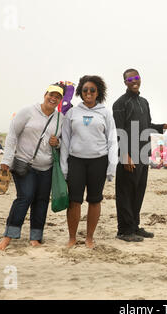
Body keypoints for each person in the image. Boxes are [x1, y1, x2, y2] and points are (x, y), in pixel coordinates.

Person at [0, 83, 64, 251]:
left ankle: (35, 238)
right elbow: (12, 134)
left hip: (46, 167)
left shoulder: (60, 119)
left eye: (57, 97)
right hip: (24, 163)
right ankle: (8, 236)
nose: (53, 98)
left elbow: (62, 142)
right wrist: (6, 159)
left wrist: (57, 143)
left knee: (41, 201)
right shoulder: (27, 111)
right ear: (45, 94)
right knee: (25, 197)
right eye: (51, 94)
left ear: (60, 100)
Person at [112, 68, 167, 242]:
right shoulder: (120, 103)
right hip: (128, 155)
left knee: (138, 192)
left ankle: (134, 226)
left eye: (136, 78)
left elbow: (147, 126)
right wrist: (124, 155)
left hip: (143, 153)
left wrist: (165, 126)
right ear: (125, 82)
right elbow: (118, 132)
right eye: (130, 79)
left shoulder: (144, 102)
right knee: (125, 193)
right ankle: (124, 230)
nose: (134, 81)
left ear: (140, 79)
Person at [60, 75, 118, 249]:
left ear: (98, 92)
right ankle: (72, 238)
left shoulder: (105, 113)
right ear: (80, 92)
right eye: (85, 90)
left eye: (92, 90)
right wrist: (64, 167)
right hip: (76, 161)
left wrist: (111, 166)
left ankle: (89, 238)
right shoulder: (72, 113)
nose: (88, 93)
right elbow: (66, 141)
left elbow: (112, 140)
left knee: (94, 200)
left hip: (98, 162)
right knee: (74, 201)